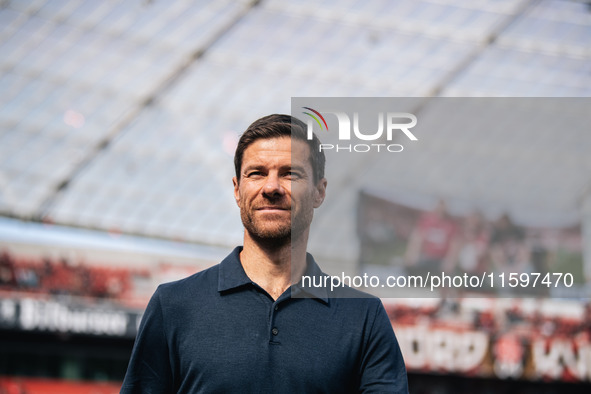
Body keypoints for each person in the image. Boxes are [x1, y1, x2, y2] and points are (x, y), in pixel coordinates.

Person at [120, 114, 408, 393]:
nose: (271, 187)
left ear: (319, 192)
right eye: (257, 173)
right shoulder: (173, 306)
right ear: (237, 189)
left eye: (290, 173)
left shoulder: (364, 317)